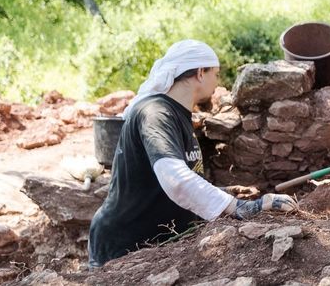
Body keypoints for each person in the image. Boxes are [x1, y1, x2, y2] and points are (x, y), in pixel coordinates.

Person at [88, 40, 297, 267]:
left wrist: (221, 193)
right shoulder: (156, 113)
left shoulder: (176, 114)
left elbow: (163, 182)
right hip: (123, 248)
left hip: (153, 246)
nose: (218, 82)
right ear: (200, 73)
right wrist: (239, 207)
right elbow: (174, 179)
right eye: (216, 74)